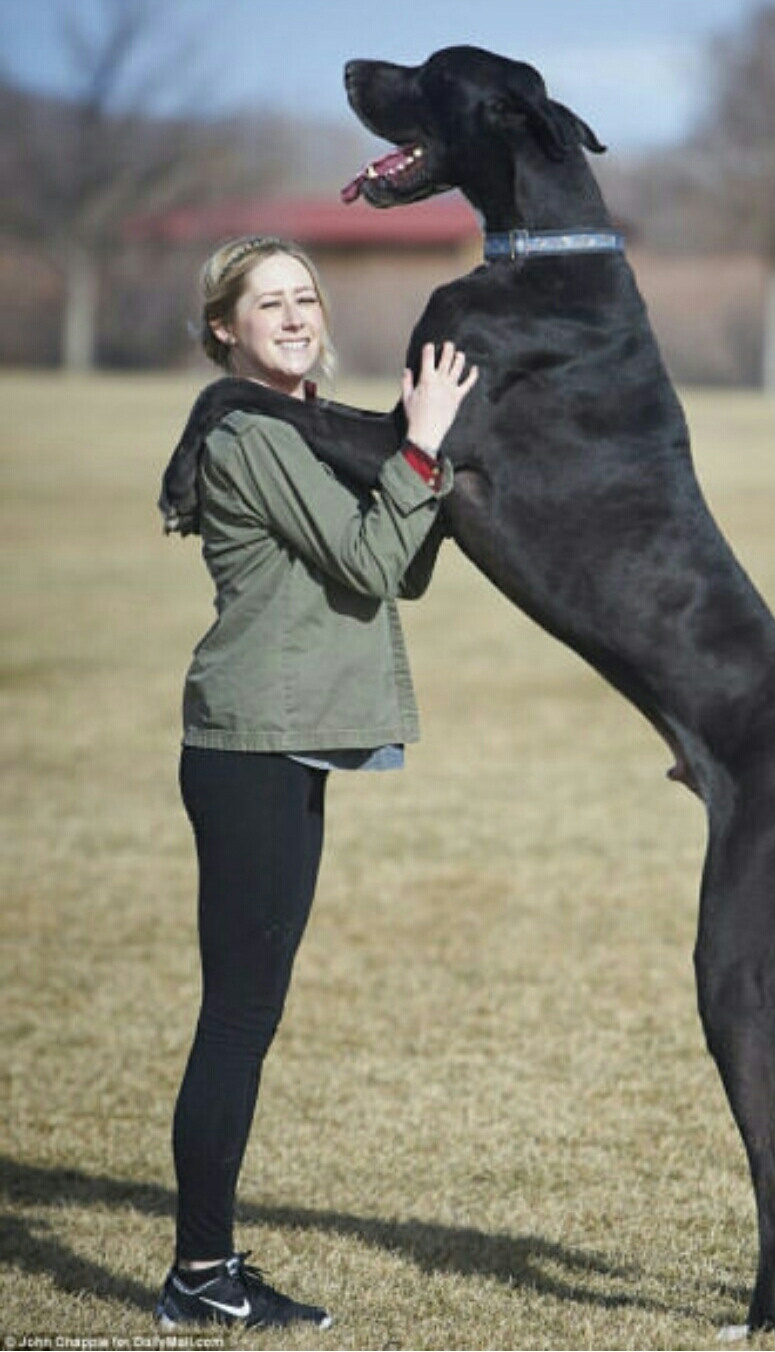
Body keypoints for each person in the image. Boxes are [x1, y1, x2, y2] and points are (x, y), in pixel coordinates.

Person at [154, 235, 477, 1332]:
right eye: (267, 303)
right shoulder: (250, 429)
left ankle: (207, 1266)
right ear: (224, 331)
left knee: (252, 1010)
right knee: (238, 1016)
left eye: (305, 297)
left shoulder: (306, 424)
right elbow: (375, 559)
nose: (293, 316)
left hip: (288, 740)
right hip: (252, 744)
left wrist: (412, 457)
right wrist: (421, 448)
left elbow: (406, 559)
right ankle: (200, 1275)